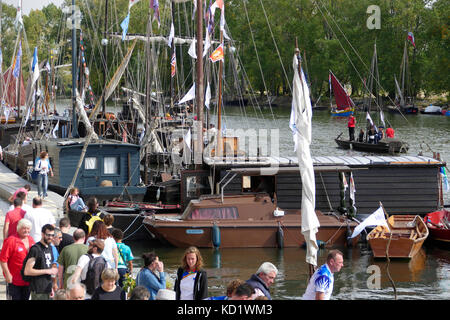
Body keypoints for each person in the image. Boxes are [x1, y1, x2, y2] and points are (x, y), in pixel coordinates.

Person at [0, 219, 35, 300]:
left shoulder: (31, 240)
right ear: (18, 229)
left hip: (27, 280)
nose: (26, 230)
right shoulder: (11, 240)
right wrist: (7, 275)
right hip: (14, 280)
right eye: (24, 228)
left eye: (28, 228)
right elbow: (3, 260)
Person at [23, 224, 59, 300]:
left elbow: (49, 267)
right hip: (38, 289)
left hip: (47, 288)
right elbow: (27, 271)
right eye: (48, 235)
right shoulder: (35, 249)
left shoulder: (50, 247)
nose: (50, 237)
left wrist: (51, 286)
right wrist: (47, 271)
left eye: (52, 235)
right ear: (42, 234)